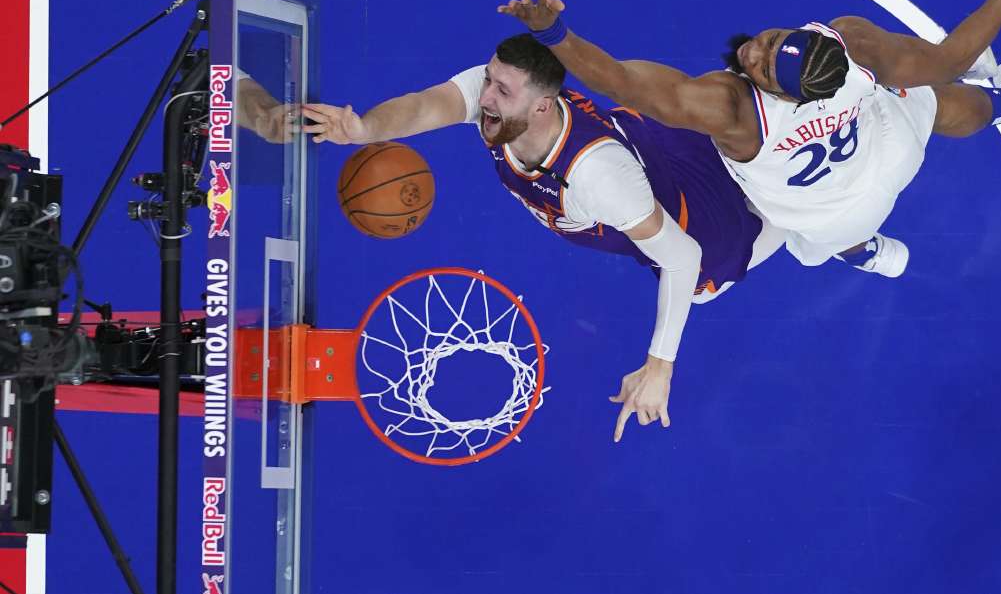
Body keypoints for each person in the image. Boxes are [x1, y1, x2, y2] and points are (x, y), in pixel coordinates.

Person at [497, 0, 1001, 278]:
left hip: (823, 217)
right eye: (771, 43)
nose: (753, 53)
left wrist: (555, 35)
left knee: (836, 231)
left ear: (791, 93)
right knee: (951, 105)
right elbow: (951, 57)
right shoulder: (852, 47)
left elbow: (624, 84)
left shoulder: (733, 111)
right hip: (879, 154)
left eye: (765, 67)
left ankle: (867, 255)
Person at [301, 34, 784, 442]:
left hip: (692, 221)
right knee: (740, 154)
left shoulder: (595, 176)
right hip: (661, 152)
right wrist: (365, 128)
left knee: (721, 270)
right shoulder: (499, 103)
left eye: (501, 90)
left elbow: (683, 257)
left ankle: (826, 227)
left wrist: (659, 367)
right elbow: (425, 106)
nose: (485, 97)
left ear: (541, 106)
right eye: (488, 80)